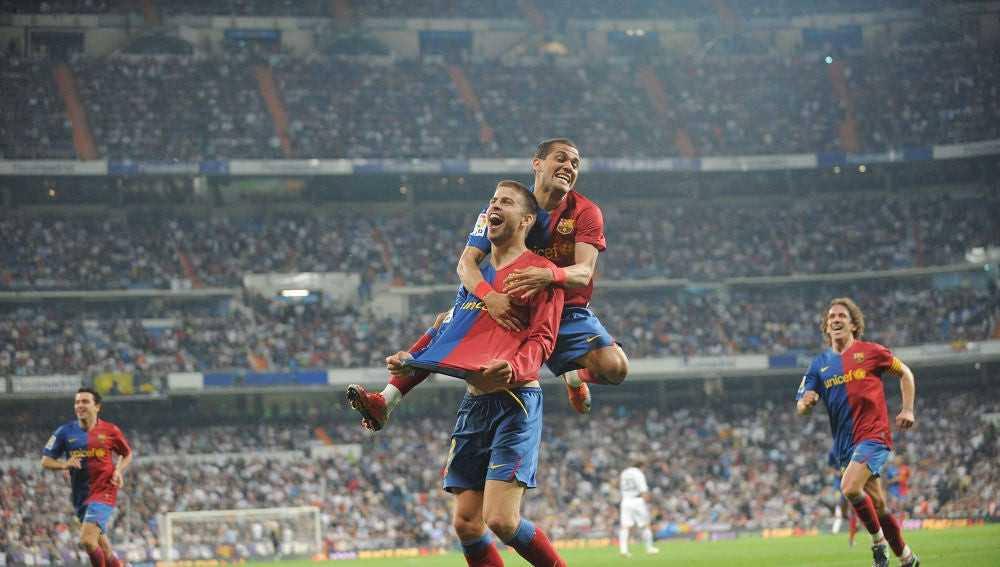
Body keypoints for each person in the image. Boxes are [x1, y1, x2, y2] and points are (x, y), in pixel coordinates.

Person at [348, 138, 628, 430]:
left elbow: (583, 272)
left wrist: (549, 275)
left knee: (616, 369)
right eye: (561, 159)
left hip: (564, 307)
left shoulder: (585, 212)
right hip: (507, 299)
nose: (569, 167)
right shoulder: (503, 206)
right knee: (446, 321)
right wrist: (490, 296)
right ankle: (385, 399)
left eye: (575, 164)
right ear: (537, 164)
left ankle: (574, 374)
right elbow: (465, 263)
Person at [356, 180, 567, 567]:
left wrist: (515, 367)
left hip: (515, 401)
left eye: (505, 202)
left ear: (526, 219)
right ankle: (385, 399)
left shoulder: (542, 274)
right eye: (492, 201)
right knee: (467, 524)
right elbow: (451, 328)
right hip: (475, 404)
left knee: (501, 520)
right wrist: (416, 359)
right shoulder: (475, 277)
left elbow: (543, 341)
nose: (494, 206)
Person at [796, 298, 919, 567]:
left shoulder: (872, 352)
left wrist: (907, 409)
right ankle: (907, 558)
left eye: (841, 315)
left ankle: (878, 546)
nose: (835, 320)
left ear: (854, 324)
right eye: (831, 317)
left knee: (850, 488)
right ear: (826, 327)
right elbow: (801, 405)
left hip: (874, 435)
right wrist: (805, 404)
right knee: (877, 505)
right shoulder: (818, 365)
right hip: (845, 445)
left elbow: (905, 373)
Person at [41, 387, 133, 567]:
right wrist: (63, 465)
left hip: (104, 492)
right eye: (77, 402)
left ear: (97, 406)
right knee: (104, 549)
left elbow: (127, 454)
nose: (80, 405)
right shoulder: (64, 431)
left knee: (87, 540)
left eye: (85, 402)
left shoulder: (111, 430)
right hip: (81, 496)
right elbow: (45, 460)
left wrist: (118, 470)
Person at [617, 458, 660, 558]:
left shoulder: (624, 473)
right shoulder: (638, 473)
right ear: (642, 466)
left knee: (625, 526)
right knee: (645, 525)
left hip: (625, 500)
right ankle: (649, 548)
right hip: (637, 500)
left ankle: (623, 550)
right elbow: (643, 489)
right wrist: (648, 499)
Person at [828, 446, 858, 546]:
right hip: (838, 483)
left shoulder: (851, 447)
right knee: (842, 508)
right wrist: (837, 473)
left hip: (850, 479)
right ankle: (850, 520)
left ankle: (852, 538)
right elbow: (829, 467)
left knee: (852, 508)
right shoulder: (832, 450)